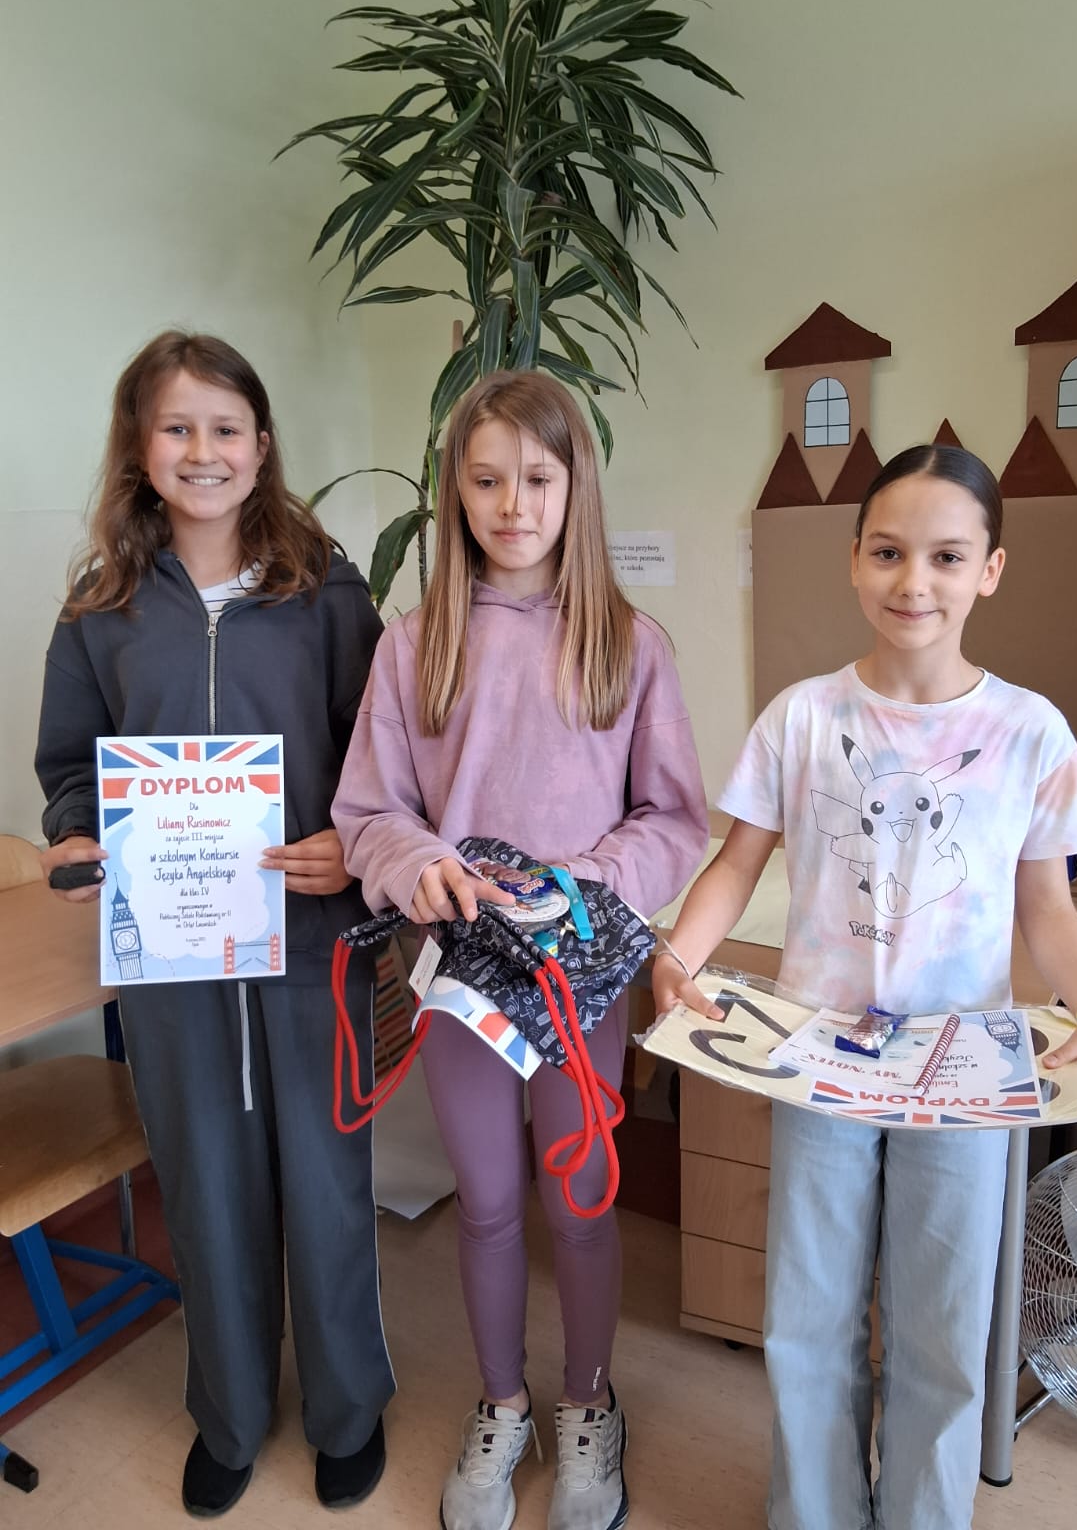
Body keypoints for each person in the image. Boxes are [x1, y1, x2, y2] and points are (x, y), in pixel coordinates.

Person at [652, 445, 1077, 1530]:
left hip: (965, 1075)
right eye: (889, 552)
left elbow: (1048, 907)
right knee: (807, 1319)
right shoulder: (801, 718)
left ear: (990, 570)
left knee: (943, 1329)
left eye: (948, 556)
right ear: (854, 560)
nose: (915, 581)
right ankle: (814, 1513)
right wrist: (681, 954)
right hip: (820, 1064)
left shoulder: (1030, 731)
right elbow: (737, 863)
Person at [332, 370, 708, 1530]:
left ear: (575, 485)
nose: (512, 504)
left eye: (537, 479)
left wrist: (587, 879)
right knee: (489, 1201)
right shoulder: (416, 645)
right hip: (461, 982)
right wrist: (416, 864)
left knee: (581, 1198)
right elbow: (369, 812)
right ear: (455, 488)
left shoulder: (629, 644)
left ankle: (588, 1401)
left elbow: (673, 819)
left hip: (580, 976)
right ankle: (502, 1401)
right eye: (487, 479)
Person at [35, 331, 395, 1518]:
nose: (204, 450)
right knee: (202, 1184)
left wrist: (352, 841)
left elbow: (383, 759)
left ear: (262, 442)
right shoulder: (99, 610)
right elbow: (71, 769)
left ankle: (348, 1411)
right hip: (173, 958)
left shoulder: (328, 591)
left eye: (226, 427)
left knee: (328, 1184)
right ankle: (230, 1416)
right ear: (139, 447)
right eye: (177, 427)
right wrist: (77, 837)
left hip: (312, 942)